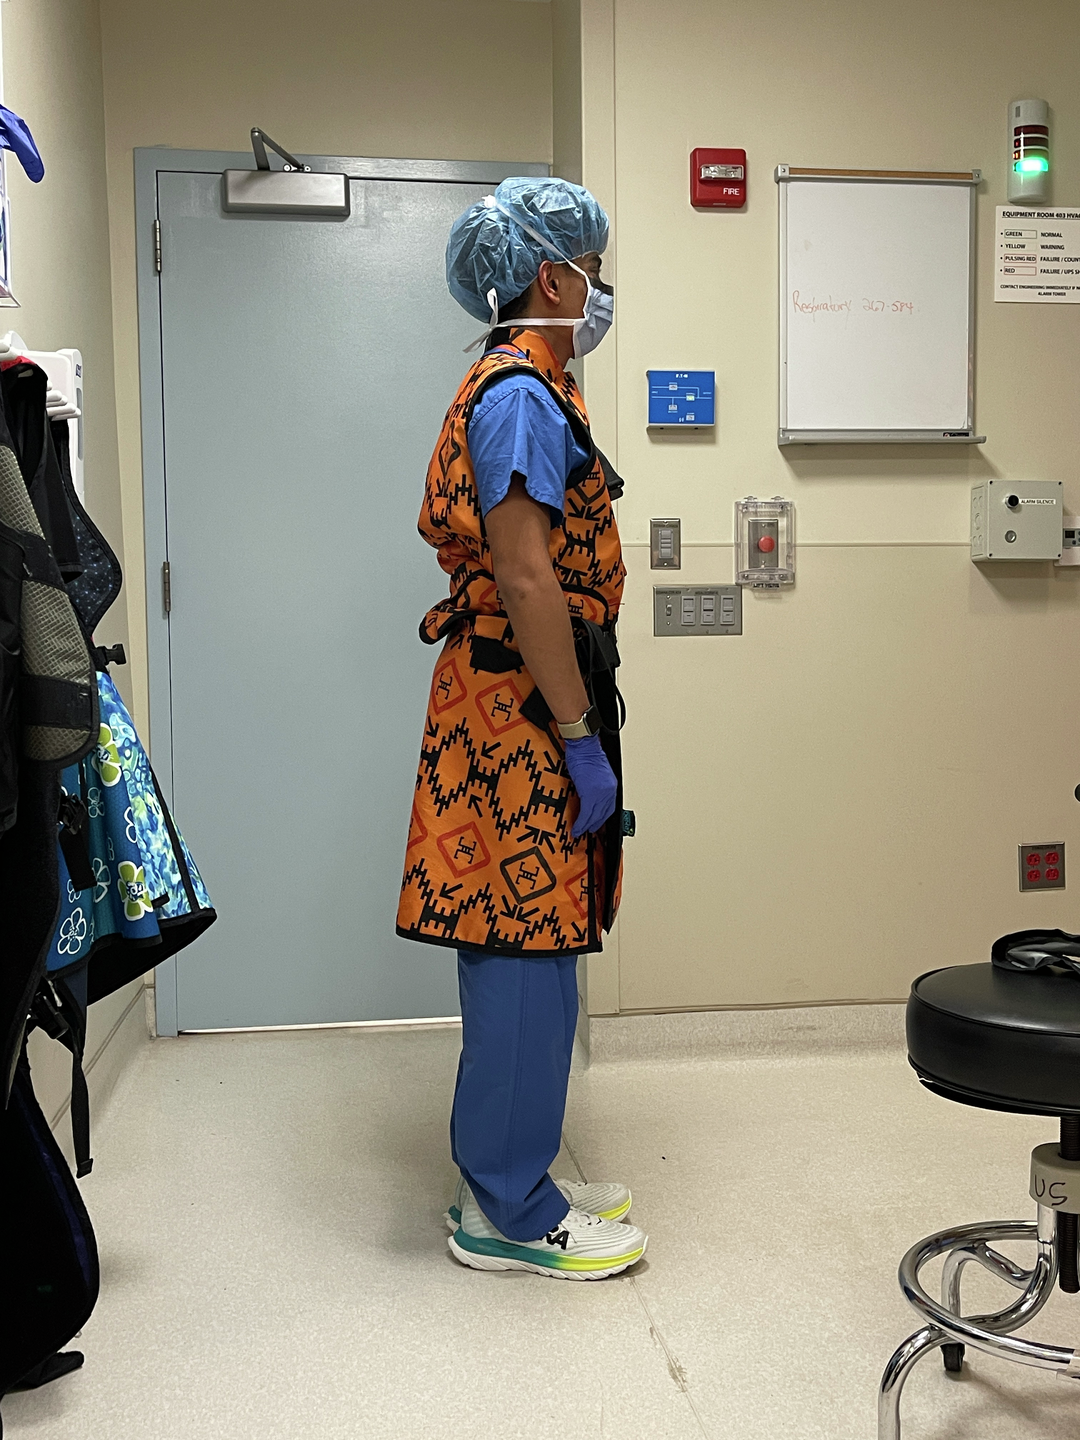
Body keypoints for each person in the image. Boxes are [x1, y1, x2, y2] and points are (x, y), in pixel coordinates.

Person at [397, 178, 646, 1279]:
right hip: (518, 710)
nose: (600, 290)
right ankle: (506, 1209)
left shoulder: (534, 388)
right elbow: (527, 575)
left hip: (522, 696)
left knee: (538, 941)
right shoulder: (517, 397)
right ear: (552, 277)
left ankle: (514, 1168)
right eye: (593, 271)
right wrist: (578, 735)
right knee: (520, 944)